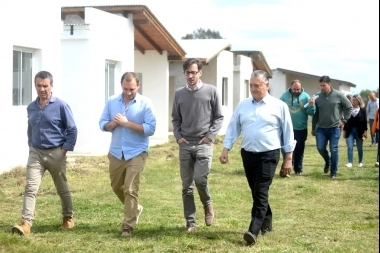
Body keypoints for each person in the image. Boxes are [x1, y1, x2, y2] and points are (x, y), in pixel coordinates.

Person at [219, 70, 296, 246]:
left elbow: (288, 133)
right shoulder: (243, 105)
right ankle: (267, 220)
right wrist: (226, 149)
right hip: (248, 154)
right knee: (256, 191)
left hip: (268, 155)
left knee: (261, 192)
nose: (253, 88)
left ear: (267, 85)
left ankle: (253, 231)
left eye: (257, 85)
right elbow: (233, 127)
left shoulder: (279, 106)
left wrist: (288, 158)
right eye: (251, 85)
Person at [12, 71, 78, 236]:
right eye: (38, 85)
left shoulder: (61, 106)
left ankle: (68, 218)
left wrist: (64, 149)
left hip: (56, 152)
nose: (41, 89)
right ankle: (26, 223)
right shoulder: (31, 107)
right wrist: (30, 145)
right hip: (36, 153)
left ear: (51, 86)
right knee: (30, 188)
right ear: (35, 86)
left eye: (45, 85)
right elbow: (30, 128)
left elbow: (72, 129)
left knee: (62, 188)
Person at [99, 72, 156, 237]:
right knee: (117, 187)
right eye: (125, 88)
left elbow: (150, 129)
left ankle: (127, 227)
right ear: (121, 85)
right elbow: (102, 123)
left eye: (131, 89)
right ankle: (135, 209)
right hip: (116, 151)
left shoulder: (145, 103)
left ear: (138, 86)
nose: (128, 92)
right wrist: (113, 123)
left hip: (137, 151)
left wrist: (126, 123)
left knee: (130, 189)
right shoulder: (112, 101)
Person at [171, 58, 224, 233]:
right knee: (187, 186)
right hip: (185, 143)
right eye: (188, 73)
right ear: (184, 74)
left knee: (200, 179)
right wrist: (178, 137)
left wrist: (210, 136)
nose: (191, 76)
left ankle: (208, 205)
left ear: (200, 73)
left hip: (204, 143)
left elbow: (219, 117)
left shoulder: (211, 91)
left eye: (194, 72)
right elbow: (176, 118)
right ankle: (191, 222)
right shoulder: (179, 94)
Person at [311, 75, 352, 179]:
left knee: (334, 149)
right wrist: (313, 128)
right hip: (320, 128)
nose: (322, 87)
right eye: (320, 85)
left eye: (324, 85)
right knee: (320, 148)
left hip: (335, 128)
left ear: (329, 84)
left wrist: (344, 121)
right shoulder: (317, 96)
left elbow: (349, 107)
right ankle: (328, 161)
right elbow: (315, 114)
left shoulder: (339, 95)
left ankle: (333, 172)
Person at [280, 80, 316, 175]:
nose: (296, 91)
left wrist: (312, 106)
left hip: (301, 128)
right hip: (286, 128)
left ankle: (298, 169)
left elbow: (311, 113)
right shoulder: (284, 96)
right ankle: (287, 168)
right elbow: (278, 109)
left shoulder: (306, 97)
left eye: (298, 89)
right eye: (294, 89)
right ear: (290, 88)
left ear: (301, 88)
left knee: (299, 150)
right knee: (286, 149)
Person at [343, 95, 367, 167]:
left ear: (358, 101)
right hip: (349, 131)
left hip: (359, 131)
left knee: (359, 147)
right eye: (352, 100)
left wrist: (365, 131)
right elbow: (345, 120)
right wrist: (344, 130)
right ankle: (350, 162)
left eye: (354, 100)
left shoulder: (362, 110)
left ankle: (360, 162)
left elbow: (364, 121)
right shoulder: (348, 109)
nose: (352, 101)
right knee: (350, 147)